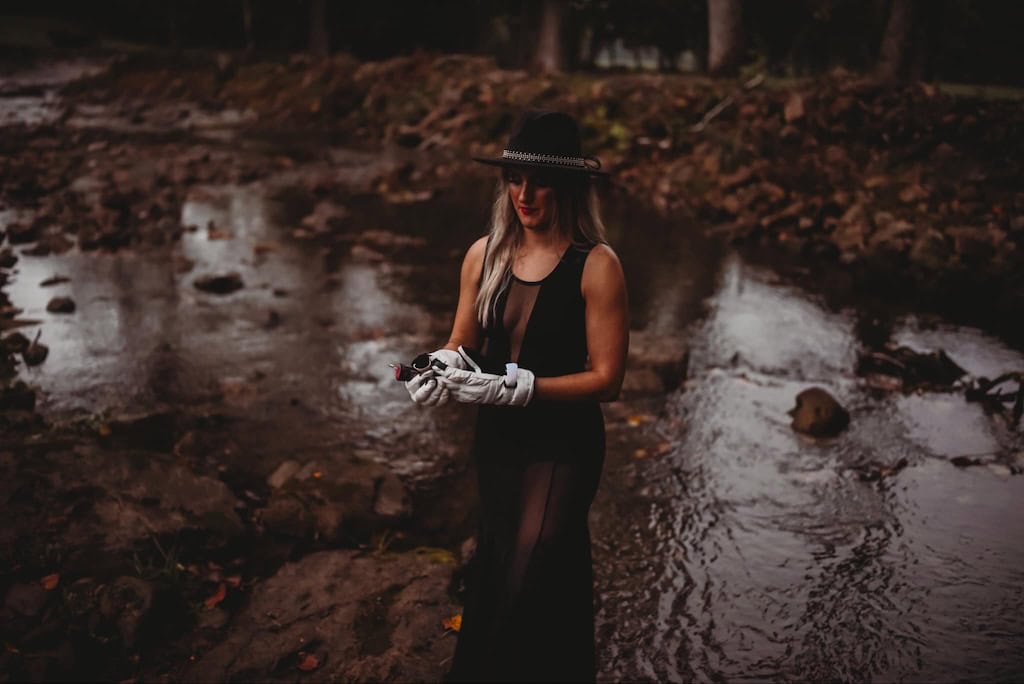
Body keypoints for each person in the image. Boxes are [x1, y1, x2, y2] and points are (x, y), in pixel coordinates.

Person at [404, 110, 629, 682]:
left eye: (540, 181)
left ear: (571, 185)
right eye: (514, 178)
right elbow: (462, 341)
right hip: (499, 440)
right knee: (501, 564)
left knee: (535, 564)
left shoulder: (597, 265)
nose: (524, 194)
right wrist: (435, 366)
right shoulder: (484, 254)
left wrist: (525, 387)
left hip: (564, 442)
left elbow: (609, 378)